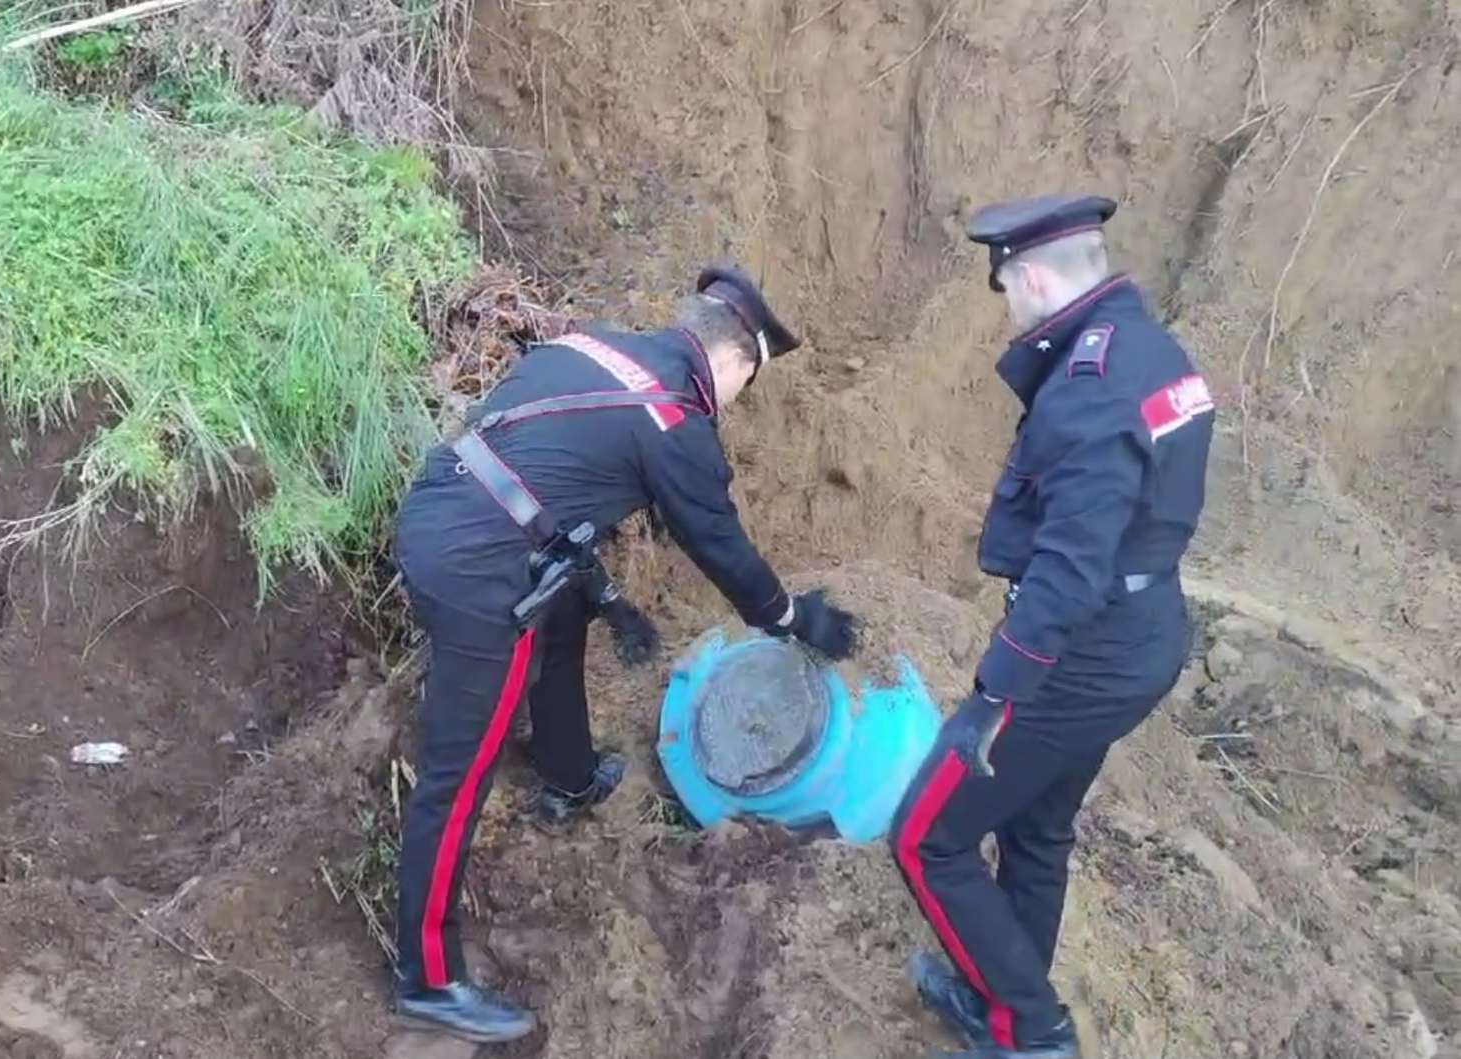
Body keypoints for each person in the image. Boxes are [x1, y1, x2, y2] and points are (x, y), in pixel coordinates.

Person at [388, 266, 862, 1043]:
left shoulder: (597, 343)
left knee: (567, 600)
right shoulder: (676, 422)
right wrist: (789, 617)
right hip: (481, 571)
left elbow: (544, 473)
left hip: (444, 505)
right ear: (739, 361)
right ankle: (428, 976)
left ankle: (569, 773)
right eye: (750, 381)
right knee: (459, 768)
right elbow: (718, 542)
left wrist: (609, 599)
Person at [887, 193, 1216, 1059]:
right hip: (1145, 626)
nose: (1006, 304)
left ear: (1030, 276)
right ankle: (997, 994)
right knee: (1037, 826)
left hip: (1089, 648)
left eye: (1004, 287)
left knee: (927, 833)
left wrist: (995, 694)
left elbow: (1071, 568)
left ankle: (1031, 1034)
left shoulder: (1087, 389)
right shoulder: (1153, 349)